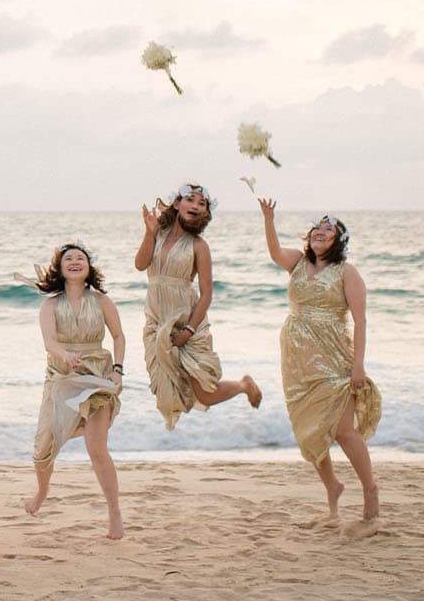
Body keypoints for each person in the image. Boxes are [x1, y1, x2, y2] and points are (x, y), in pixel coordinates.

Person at [259, 200, 381, 533]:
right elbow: (273, 252)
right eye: (317, 227)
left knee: (342, 430)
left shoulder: (347, 273)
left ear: (339, 241)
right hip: (296, 359)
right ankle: (332, 486)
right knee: (307, 429)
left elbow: (360, 321)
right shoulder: (297, 263)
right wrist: (268, 218)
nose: (320, 232)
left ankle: (370, 490)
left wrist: (358, 365)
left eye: (328, 229)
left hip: (333, 357)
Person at [17, 240, 126, 538]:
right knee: (43, 450)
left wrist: (117, 370)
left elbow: (118, 336)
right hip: (62, 376)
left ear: (88, 267)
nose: (75, 261)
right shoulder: (50, 304)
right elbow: (49, 342)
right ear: (60, 269)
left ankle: (115, 513)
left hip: (98, 376)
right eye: (69, 259)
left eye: (81, 258)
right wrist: (64, 355)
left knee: (96, 448)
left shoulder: (102, 301)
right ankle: (41, 492)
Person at [135, 183, 262, 429]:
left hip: (187, 322)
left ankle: (243, 385)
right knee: (167, 391)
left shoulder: (199, 246)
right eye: (190, 200)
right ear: (176, 204)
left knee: (204, 393)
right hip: (158, 322)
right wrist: (149, 232)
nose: (195, 205)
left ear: (205, 213)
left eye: (201, 203)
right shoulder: (157, 235)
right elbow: (140, 265)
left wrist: (189, 330)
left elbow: (206, 294)